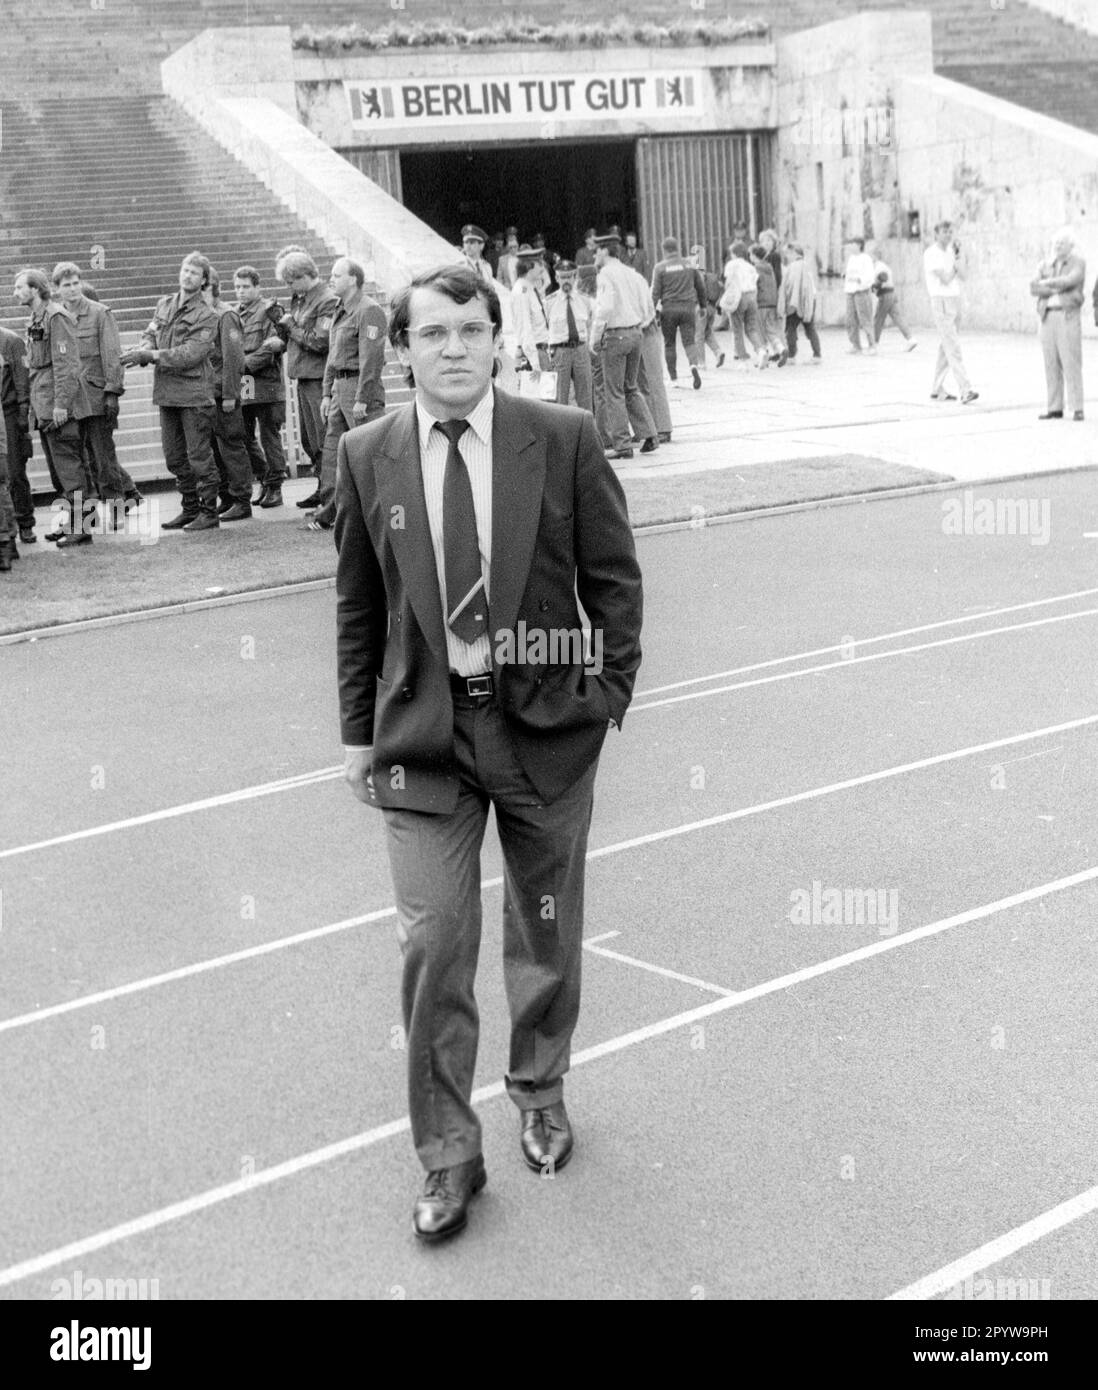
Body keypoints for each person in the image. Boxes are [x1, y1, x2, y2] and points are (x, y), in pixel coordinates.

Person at [334, 262, 643, 1244]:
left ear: (495, 338)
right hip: (423, 741)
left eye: (471, 330)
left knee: (544, 935)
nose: (454, 350)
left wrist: (604, 697)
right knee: (434, 947)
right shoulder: (366, 452)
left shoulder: (562, 439)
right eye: (433, 334)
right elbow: (359, 608)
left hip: (544, 734)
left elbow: (615, 583)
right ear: (405, 348)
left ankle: (540, 1087)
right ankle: (447, 1155)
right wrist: (356, 734)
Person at [123, 251, 222, 531]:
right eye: (185, 269)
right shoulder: (164, 304)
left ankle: (208, 512)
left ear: (204, 280)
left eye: (194, 272)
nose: (187, 275)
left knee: (200, 457)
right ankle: (189, 508)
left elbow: (190, 354)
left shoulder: (207, 315)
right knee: (174, 456)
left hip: (193, 395)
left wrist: (151, 355)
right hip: (168, 393)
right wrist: (143, 346)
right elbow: (151, 331)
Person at [51, 262, 142, 521]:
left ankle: (117, 510)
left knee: (103, 459)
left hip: (95, 397)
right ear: (57, 289)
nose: (72, 289)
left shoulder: (100, 313)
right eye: (66, 285)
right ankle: (88, 517)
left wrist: (112, 392)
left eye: (75, 283)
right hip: (68, 399)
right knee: (78, 463)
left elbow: (112, 356)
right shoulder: (56, 317)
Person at [14, 267, 95, 547]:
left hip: (59, 405)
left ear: (35, 289)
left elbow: (67, 365)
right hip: (45, 402)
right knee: (59, 472)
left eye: (20, 288)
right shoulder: (37, 317)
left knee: (70, 470)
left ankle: (81, 527)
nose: (16, 293)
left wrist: (61, 405)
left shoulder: (55, 316)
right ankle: (72, 523)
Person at [306, 257, 388, 530]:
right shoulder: (340, 310)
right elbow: (333, 355)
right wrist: (327, 393)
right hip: (340, 389)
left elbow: (371, 358)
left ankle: (380, 514)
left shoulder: (369, 310)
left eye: (337, 275)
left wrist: (363, 398)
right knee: (332, 454)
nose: (331, 279)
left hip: (358, 389)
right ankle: (330, 513)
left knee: (368, 453)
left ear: (353, 279)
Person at [264, 250, 339, 495]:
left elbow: (320, 341)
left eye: (290, 281)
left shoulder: (326, 299)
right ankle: (322, 488)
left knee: (323, 436)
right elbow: (295, 337)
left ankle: (331, 493)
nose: (289, 287)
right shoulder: (301, 298)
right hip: (303, 376)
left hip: (318, 378)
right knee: (309, 439)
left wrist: (291, 326)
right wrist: (280, 323)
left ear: (304, 275)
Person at [591, 231, 658, 459]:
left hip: (616, 336)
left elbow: (605, 308)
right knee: (631, 387)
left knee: (614, 391)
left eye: (596, 251)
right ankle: (649, 434)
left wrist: (595, 336)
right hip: (635, 333)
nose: (594, 255)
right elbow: (645, 303)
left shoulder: (605, 274)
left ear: (604, 251)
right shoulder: (631, 273)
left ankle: (622, 445)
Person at [202, 267, 255, 521]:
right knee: (216, 448)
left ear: (212, 286)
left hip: (225, 394)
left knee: (232, 447)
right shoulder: (205, 315)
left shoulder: (226, 315)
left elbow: (234, 359)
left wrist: (232, 394)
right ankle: (228, 497)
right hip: (209, 394)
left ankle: (242, 499)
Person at [233, 265, 288, 508]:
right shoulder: (235, 314)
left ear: (257, 287)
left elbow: (272, 347)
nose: (241, 291)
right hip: (245, 385)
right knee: (244, 436)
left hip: (266, 383)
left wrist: (242, 364)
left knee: (269, 435)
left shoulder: (269, 311)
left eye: (246, 287)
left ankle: (276, 486)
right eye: (237, 287)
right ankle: (265, 476)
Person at [1029, 228, 1086, 421]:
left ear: (1070, 246)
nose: (1058, 246)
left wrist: (1047, 284)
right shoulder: (1045, 264)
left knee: (1071, 362)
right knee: (1050, 363)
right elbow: (1033, 287)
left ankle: (1077, 407)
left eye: (1062, 243)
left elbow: (1071, 280)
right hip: (1047, 316)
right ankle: (1054, 407)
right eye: (1056, 243)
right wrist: (1054, 286)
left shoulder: (1078, 262)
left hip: (1067, 315)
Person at [924, 220, 978, 404]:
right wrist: (955, 266)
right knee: (952, 347)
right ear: (936, 233)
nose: (948, 235)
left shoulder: (950, 252)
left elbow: (963, 275)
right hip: (941, 301)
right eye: (945, 232)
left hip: (955, 300)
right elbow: (946, 279)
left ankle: (936, 388)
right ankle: (966, 389)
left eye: (950, 231)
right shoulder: (931, 254)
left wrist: (958, 255)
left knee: (946, 346)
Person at [650, 236, 706, 389]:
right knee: (689, 341)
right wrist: (703, 306)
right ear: (678, 248)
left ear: (664, 250)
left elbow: (655, 292)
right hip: (688, 308)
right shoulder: (690, 264)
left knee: (669, 344)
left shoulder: (660, 267)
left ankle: (674, 379)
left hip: (669, 310)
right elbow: (700, 286)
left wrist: (651, 311)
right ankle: (693, 365)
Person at [0, 324, 35, 543]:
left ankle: (25, 523)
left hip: (8, 413)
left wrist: (23, 412)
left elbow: (22, 380)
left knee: (14, 471)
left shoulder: (10, 341)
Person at [545, 259, 593, 412]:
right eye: (562, 277)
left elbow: (590, 326)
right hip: (560, 352)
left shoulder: (585, 300)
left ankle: (587, 432)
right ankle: (563, 434)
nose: (566, 281)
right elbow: (544, 328)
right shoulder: (549, 303)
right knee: (560, 397)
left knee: (585, 396)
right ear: (557, 279)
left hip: (581, 350)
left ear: (575, 277)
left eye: (569, 277)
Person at [720, 243, 767, 368]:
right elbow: (755, 282)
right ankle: (761, 350)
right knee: (751, 328)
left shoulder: (731, 265)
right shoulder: (749, 266)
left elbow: (729, 282)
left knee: (737, 329)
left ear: (734, 253)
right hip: (752, 296)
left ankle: (743, 360)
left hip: (738, 296)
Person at [510, 245, 551, 378]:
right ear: (529, 266)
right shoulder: (522, 291)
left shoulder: (529, 288)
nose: (542, 268)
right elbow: (525, 329)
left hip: (542, 352)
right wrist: (535, 364)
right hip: (534, 355)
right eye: (539, 264)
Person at [777, 244, 821, 363]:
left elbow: (792, 286)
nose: (787, 256)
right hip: (810, 300)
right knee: (810, 327)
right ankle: (817, 355)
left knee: (791, 328)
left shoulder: (794, 266)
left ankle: (791, 356)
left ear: (794, 252)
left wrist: (790, 302)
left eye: (788, 253)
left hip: (796, 301)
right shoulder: (807, 265)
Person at [869, 247, 917, 350]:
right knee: (898, 318)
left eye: (871, 256)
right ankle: (910, 339)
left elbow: (883, 277)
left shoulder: (878, 266)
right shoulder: (885, 266)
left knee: (878, 319)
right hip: (892, 293)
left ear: (875, 256)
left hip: (884, 294)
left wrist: (874, 286)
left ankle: (874, 343)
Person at [751, 243, 787, 366]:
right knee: (771, 330)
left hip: (761, 304)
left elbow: (754, 287)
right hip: (772, 303)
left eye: (750, 254)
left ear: (754, 256)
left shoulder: (755, 268)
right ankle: (781, 348)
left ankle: (763, 359)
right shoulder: (769, 268)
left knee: (760, 332)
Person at [690, 245, 725, 369]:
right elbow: (721, 288)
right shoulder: (711, 275)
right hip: (711, 308)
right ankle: (718, 352)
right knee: (707, 332)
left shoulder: (696, 275)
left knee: (698, 335)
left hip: (700, 308)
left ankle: (701, 362)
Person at [843, 236, 877, 354]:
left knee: (865, 319)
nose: (850, 246)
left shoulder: (866, 258)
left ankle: (872, 345)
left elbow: (869, 276)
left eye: (852, 244)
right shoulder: (851, 259)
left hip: (861, 292)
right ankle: (856, 345)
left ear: (858, 245)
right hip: (850, 291)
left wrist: (859, 281)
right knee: (850, 319)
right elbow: (849, 274)